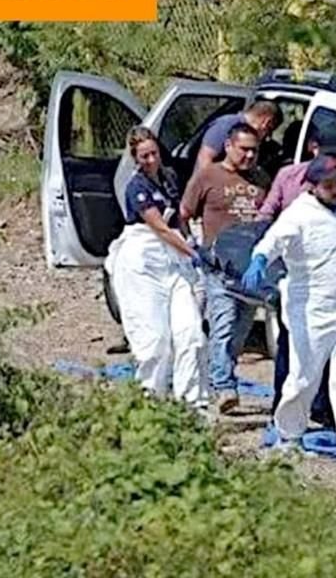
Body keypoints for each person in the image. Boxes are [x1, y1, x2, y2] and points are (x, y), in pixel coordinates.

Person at [242, 155, 336, 467]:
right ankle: (289, 435)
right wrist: (259, 261)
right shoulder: (298, 215)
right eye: (330, 185)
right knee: (304, 377)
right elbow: (272, 242)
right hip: (311, 310)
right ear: (314, 186)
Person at [105, 126, 210, 407]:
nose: (151, 160)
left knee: (191, 335)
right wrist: (194, 252)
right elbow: (160, 228)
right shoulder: (136, 187)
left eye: (154, 153)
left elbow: (178, 218)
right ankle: (150, 402)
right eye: (144, 156)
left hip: (173, 259)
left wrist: (190, 238)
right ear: (135, 158)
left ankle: (193, 404)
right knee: (155, 343)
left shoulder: (169, 178)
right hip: (144, 259)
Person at [257, 124, 336, 424]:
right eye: (327, 154)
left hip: (331, 281)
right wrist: (261, 256)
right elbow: (268, 214)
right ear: (313, 147)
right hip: (293, 276)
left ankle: (324, 410)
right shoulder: (289, 177)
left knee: (331, 354)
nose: (333, 162)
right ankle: (282, 412)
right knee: (292, 351)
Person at [181, 123, 270, 413]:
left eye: (254, 150)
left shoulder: (260, 179)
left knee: (240, 331)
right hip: (217, 269)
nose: (249, 156)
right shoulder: (209, 176)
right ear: (229, 146)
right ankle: (223, 386)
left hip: (249, 271)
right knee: (223, 326)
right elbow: (183, 213)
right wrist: (193, 247)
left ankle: (217, 375)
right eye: (243, 149)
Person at [194, 101, 282, 173]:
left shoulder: (248, 134)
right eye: (270, 130)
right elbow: (205, 159)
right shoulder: (226, 125)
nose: (267, 136)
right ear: (266, 122)